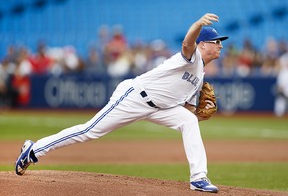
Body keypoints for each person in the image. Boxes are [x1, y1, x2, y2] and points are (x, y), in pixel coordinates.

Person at [15, 13, 228, 193]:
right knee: (89, 131)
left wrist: (199, 116)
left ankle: (198, 178)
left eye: (221, 42)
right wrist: (198, 24)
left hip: (159, 108)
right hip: (135, 97)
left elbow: (188, 112)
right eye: (216, 41)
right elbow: (186, 43)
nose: (220, 45)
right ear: (202, 44)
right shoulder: (192, 57)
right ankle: (34, 151)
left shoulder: (199, 76)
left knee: (189, 121)